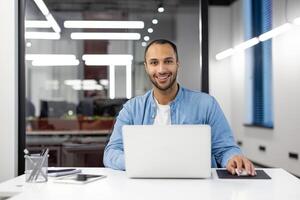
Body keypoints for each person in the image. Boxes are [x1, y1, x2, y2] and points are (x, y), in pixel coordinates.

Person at [103, 39, 256, 176]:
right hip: (145, 188)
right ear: (146, 67)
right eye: (154, 62)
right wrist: (139, 162)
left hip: (198, 189)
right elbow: (111, 153)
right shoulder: (131, 109)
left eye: (168, 61)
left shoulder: (206, 104)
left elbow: (225, 148)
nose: (161, 69)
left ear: (177, 64)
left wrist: (233, 158)